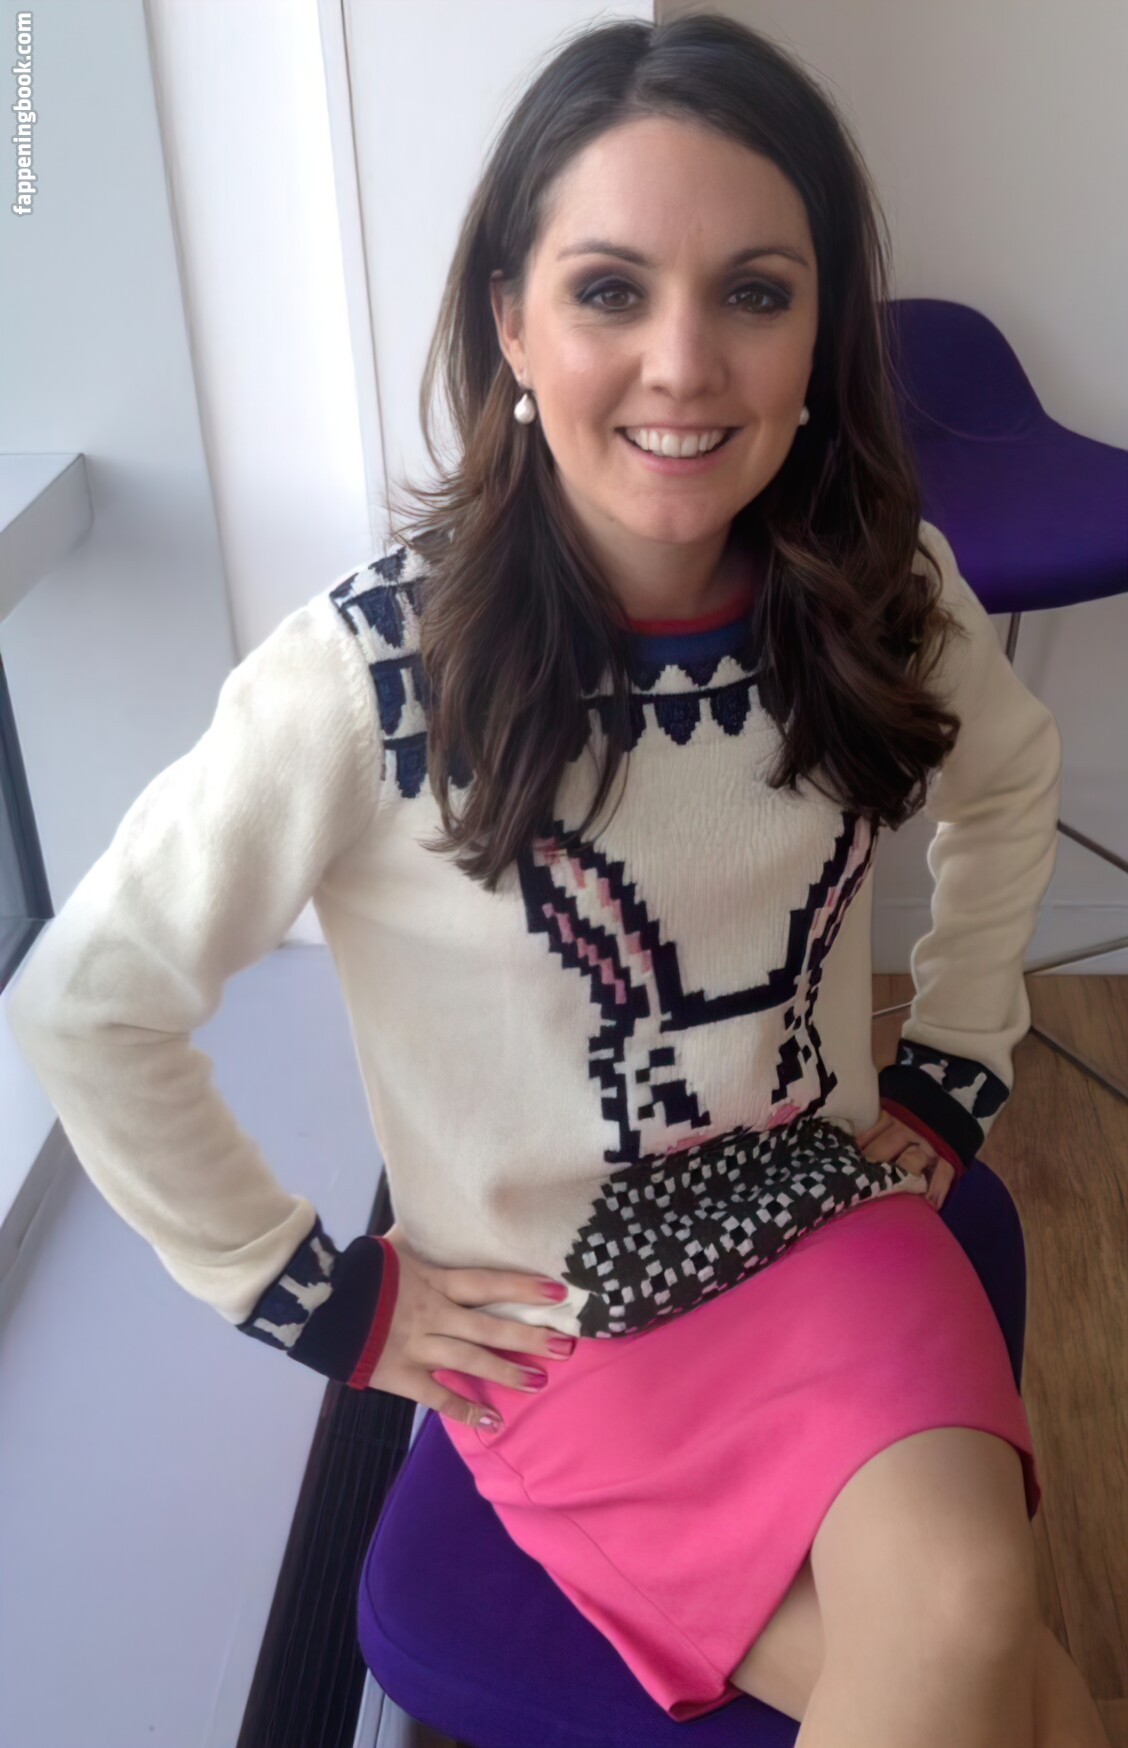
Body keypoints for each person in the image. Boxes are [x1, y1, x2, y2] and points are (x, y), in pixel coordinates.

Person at [9, 13, 1110, 1744]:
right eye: (610, 291)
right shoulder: (371, 679)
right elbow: (91, 1000)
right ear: (512, 321)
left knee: (965, 1609)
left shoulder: (883, 592)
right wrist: (321, 1299)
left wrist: (962, 1057)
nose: (685, 362)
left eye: (755, 293)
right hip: (557, 1332)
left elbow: (1015, 772)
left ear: (821, 331)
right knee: (1018, 1693)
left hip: (828, 1230)